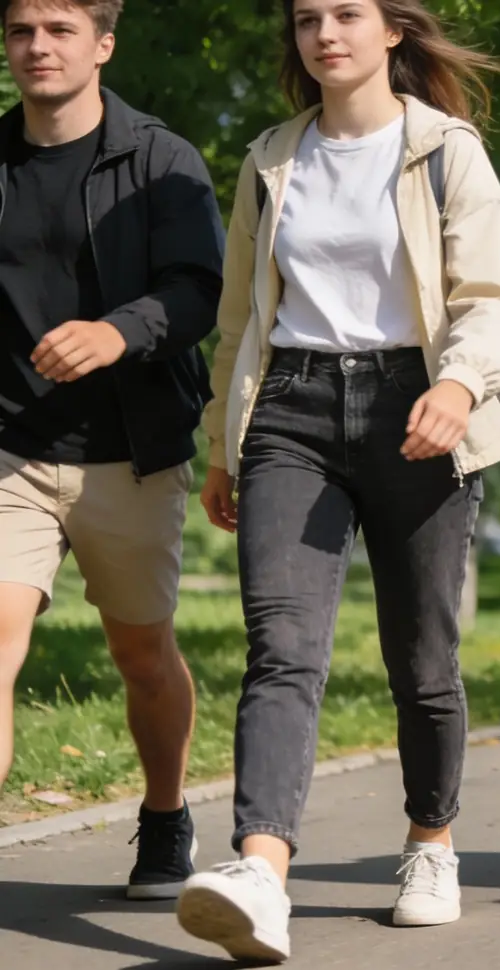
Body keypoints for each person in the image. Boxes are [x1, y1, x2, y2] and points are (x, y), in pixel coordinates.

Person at [176, 0, 500, 961]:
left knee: (422, 660)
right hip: (288, 407)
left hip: (418, 402)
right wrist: (221, 443)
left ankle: (429, 841)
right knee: (281, 647)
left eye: (346, 14)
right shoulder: (270, 159)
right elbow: (240, 317)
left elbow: (493, 296)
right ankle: (261, 872)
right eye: (305, 20)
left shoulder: (446, 149)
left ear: (394, 32)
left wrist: (459, 383)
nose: (324, 34)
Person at [0, 0, 224, 899]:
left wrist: (116, 333)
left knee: (142, 654)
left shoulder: (159, 158)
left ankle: (166, 817)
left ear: (103, 44)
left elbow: (199, 289)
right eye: (21, 31)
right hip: (10, 444)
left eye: (59, 30)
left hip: (127, 449)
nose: (37, 47)